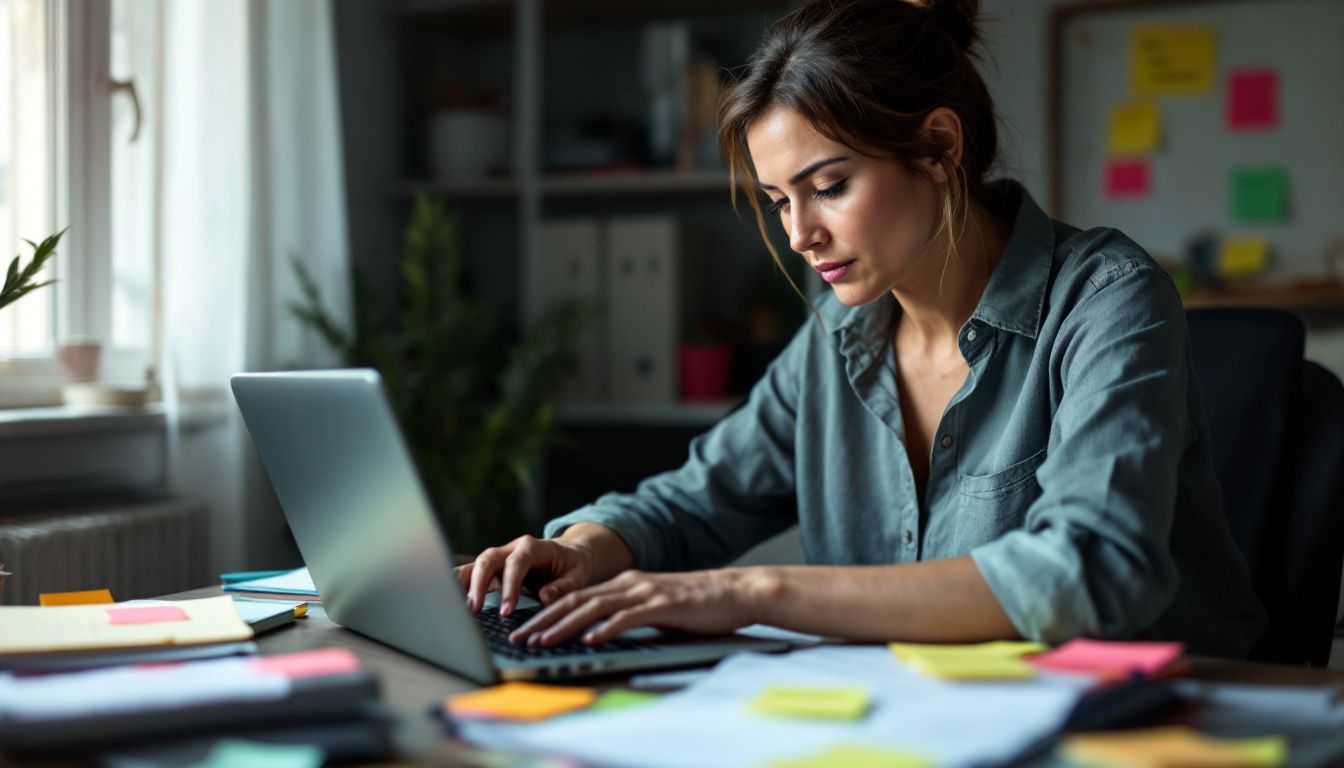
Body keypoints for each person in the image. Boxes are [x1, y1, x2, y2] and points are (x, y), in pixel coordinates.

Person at [457, 0, 1266, 657]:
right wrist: (587, 547)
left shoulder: (1108, 300)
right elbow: (700, 498)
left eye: (829, 186)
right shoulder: (837, 338)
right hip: (919, 724)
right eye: (779, 200)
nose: (798, 234)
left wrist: (753, 591)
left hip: (1151, 726)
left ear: (939, 148)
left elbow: (1089, 569)